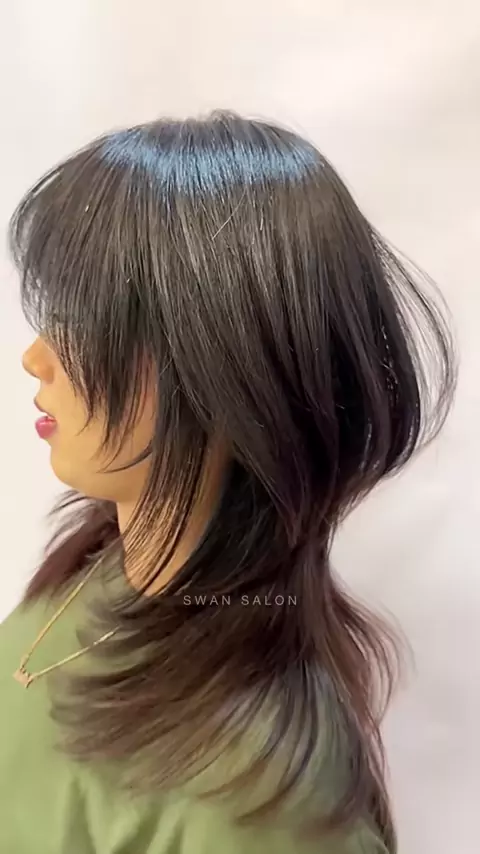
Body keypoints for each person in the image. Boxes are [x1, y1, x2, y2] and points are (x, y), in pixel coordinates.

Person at [0, 111, 455, 853]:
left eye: (91, 324)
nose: (36, 358)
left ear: (222, 376)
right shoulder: (101, 564)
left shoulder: (256, 802)